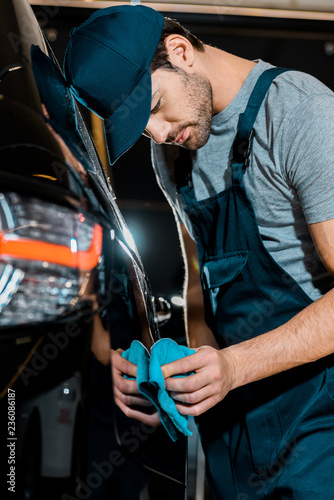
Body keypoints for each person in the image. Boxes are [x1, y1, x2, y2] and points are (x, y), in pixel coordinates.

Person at [64, 5, 334, 499]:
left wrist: (234, 367)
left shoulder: (302, 113)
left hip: (320, 429)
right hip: (235, 437)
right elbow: (208, 302)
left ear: (181, 51)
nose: (160, 134)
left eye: (153, 108)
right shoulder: (176, 148)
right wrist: (168, 373)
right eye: (144, 130)